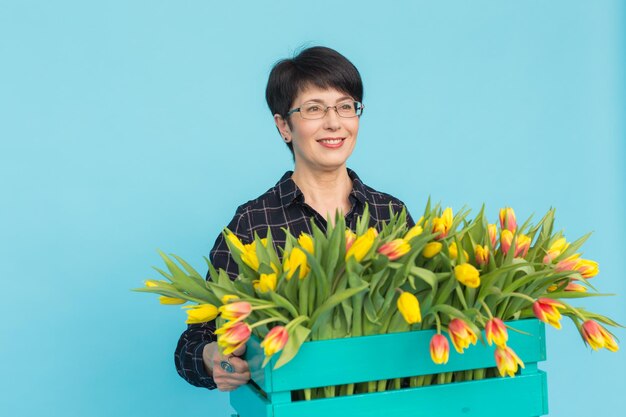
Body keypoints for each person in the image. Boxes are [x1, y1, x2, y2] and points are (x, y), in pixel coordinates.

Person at [174, 46, 415, 391]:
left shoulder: (390, 214)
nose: (334, 122)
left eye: (346, 106)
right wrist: (216, 358)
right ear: (284, 126)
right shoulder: (253, 222)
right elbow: (194, 342)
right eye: (314, 109)